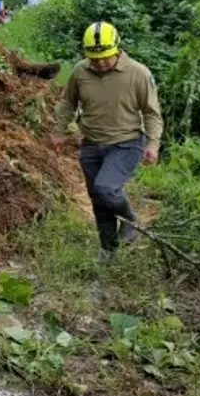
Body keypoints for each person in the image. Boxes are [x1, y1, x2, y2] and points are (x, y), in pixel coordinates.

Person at [51, 22, 163, 263]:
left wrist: (152, 145)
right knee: (97, 198)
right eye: (94, 58)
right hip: (91, 145)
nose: (100, 63)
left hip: (126, 143)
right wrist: (58, 131)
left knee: (105, 188)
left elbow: (152, 113)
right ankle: (108, 251)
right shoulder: (81, 72)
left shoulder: (138, 73)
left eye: (105, 58)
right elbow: (68, 103)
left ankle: (131, 220)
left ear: (117, 49)